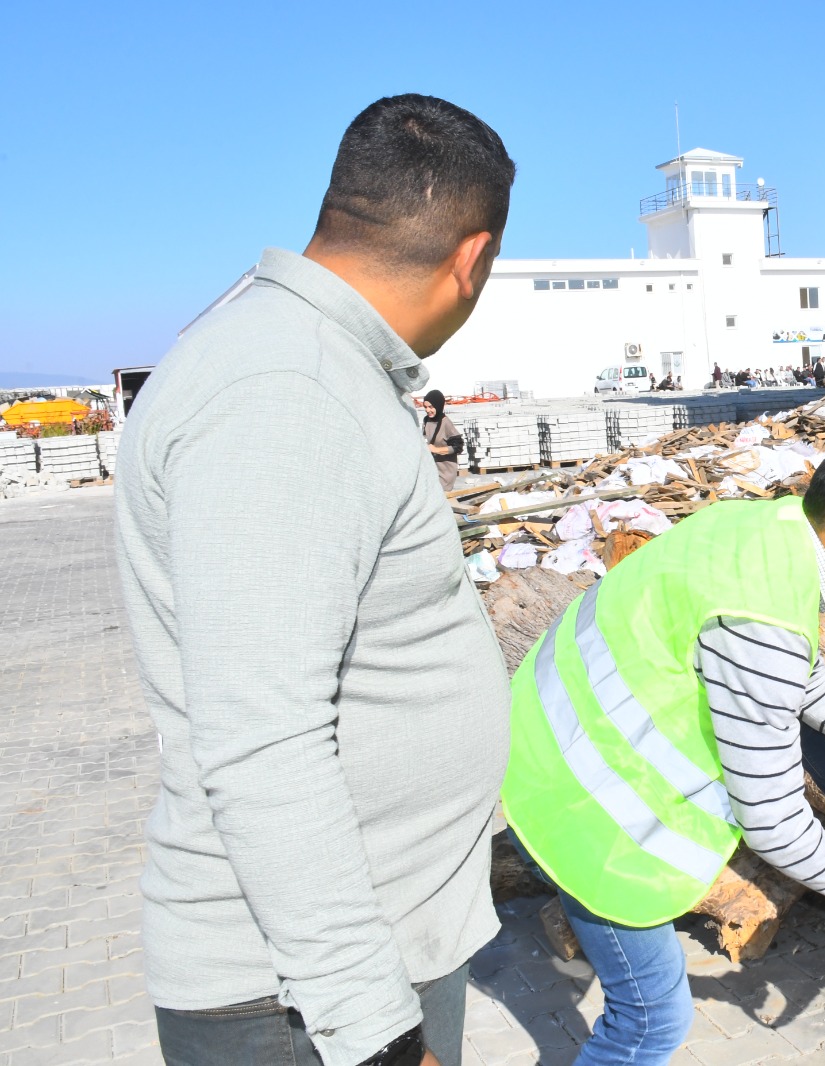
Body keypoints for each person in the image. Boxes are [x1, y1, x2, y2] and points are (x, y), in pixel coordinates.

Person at [115, 94, 516, 1066]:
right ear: (472, 256)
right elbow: (261, 738)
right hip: (306, 1003)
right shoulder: (287, 394)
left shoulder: (302, 366)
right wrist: (373, 1031)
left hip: (341, 972)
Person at [502, 434, 825, 1065]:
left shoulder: (759, 528)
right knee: (648, 1024)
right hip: (589, 818)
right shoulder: (762, 615)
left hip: (540, 744)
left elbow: (796, 674)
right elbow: (775, 826)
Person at [421, 388, 464, 492]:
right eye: (425, 407)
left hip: (445, 471)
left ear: (438, 405)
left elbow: (458, 446)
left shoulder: (446, 423)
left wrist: (436, 450)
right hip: (431, 469)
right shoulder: (426, 420)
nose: (427, 410)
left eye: (430, 407)